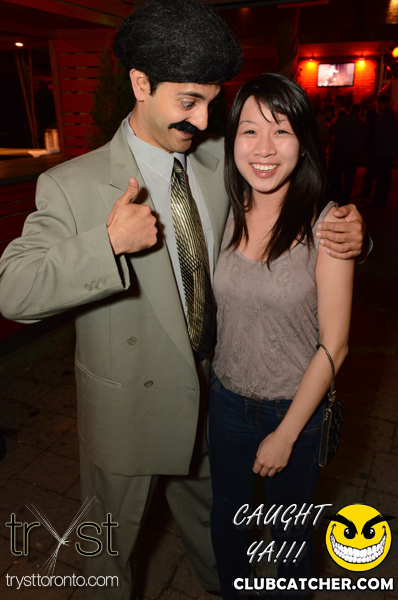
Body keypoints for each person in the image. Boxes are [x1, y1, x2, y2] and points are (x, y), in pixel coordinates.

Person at [0, 1, 365, 598]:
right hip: (126, 411)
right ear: (140, 84)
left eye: (212, 103)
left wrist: (352, 232)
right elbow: (13, 289)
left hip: (211, 402)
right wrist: (106, 245)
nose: (202, 120)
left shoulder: (220, 161)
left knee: (217, 537)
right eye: (188, 101)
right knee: (108, 561)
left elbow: (287, 200)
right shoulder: (71, 185)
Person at [208, 73, 354, 599]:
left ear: (304, 142)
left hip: (295, 408)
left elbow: (335, 343)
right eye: (250, 130)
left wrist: (287, 433)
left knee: (290, 539)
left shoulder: (328, 225)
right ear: (232, 140)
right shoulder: (223, 208)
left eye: (282, 130)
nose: (264, 148)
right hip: (226, 400)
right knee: (228, 523)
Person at [328, 103, 368, 204]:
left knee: (337, 175)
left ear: (350, 110)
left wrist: (331, 149)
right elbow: (365, 142)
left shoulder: (342, 120)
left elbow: (333, 134)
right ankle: (346, 196)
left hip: (340, 153)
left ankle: (337, 195)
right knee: (349, 178)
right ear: (359, 111)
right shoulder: (363, 124)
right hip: (354, 155)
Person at [371, 94, 398, 208]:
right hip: (390, 151)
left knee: (381, 177)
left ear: (381, 103)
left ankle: (379, 199)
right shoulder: (392, 115)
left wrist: (376, 151)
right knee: (385, 177)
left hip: (384, 152)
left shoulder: (385, 115)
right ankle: (382, 198)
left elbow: (379, 134)